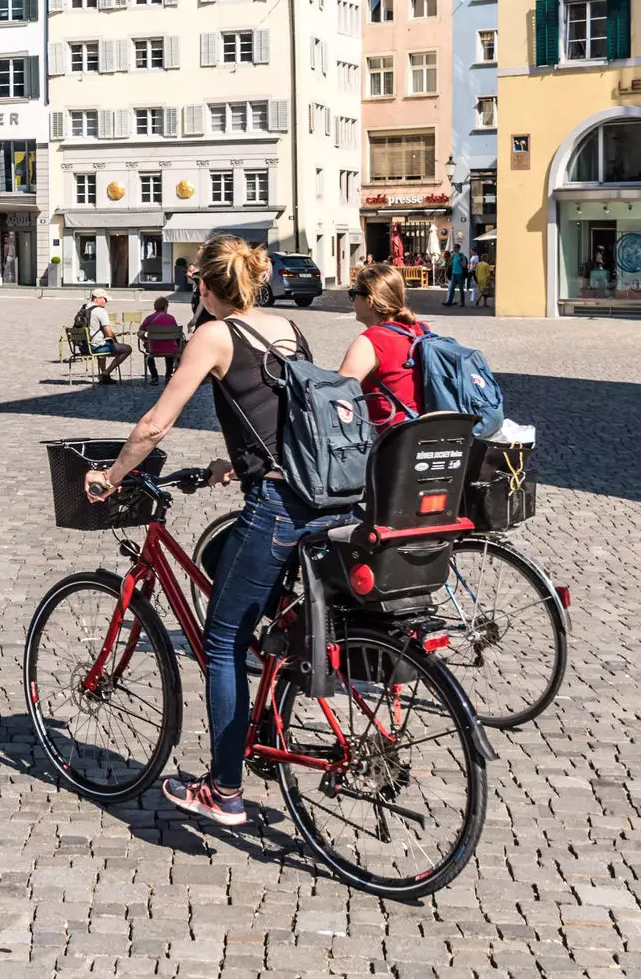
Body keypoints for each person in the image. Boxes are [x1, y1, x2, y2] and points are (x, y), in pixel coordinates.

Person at [82, 236, 347, 827]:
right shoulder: (286, 328)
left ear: (204, 285)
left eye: (197, 282)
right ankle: (270, 720)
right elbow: (287, 415)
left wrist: (112, 473)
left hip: (278, 506)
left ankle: (223, 788)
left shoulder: (213, 334)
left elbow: (155, 423)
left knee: (222, 641)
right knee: (255, 608)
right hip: (322, 497)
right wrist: (237, 461)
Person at [336, 263, 430, 430]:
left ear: (369, 301)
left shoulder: (371, 340)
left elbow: (337, 393)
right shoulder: (420, 329)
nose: (352, 300)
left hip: (390, 440)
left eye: (353, 294)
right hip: (423, 430)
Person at [79, 288, 131, 384]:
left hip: (84, 346)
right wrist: (115, 342)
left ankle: (104, 374)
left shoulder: (83, 308)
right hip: (95, 346)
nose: (106, 302)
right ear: (98, 298)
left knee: (104, 342)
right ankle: (106, 373)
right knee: (127, 349)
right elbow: (108, 332)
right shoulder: (100, 311)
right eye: (105, 299)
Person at [138, 296, 182, 384]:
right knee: (169, 350)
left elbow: (140, 332)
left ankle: (154, 377)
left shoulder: (149, 318)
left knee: (147, 353)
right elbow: (177, 334)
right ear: (166, 306)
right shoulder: (171, 318)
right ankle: (168, 376)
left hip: (153, 348)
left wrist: (144, 337)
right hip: (171, 349)